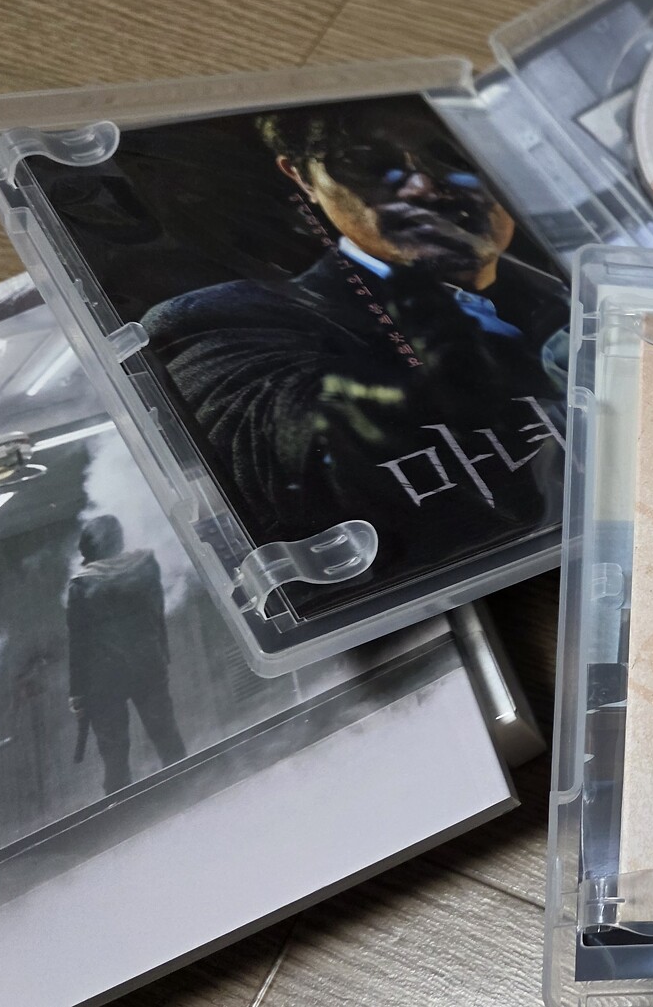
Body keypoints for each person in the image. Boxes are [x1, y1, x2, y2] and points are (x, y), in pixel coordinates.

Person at [140, 99, 569, 576]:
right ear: (302, 178)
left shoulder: (575, 285)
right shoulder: (220, 321)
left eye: (453, 155)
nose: (424, 186)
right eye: (365, 162)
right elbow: (290, 452)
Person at [66, 515, 186, 794]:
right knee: (167, 737)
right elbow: (157, 613)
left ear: (88, 550)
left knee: (114, 754)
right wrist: (162, 654)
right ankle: (187, 786)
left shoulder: (81, 586)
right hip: (149, 664)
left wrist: (77, 693)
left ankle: (121, 806)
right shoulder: (146, 566)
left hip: (104, 679)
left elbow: (78, 644)